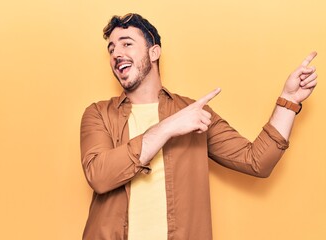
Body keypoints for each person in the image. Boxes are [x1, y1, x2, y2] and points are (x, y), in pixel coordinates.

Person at [80, 13, 318, 240]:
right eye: (111, 49)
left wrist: (289, 101)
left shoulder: (194, 113)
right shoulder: (98, 114)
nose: (116, 54)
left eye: (126, 44)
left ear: (154, 52)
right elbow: (99, 176)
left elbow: (257, 161)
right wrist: (168, 127)